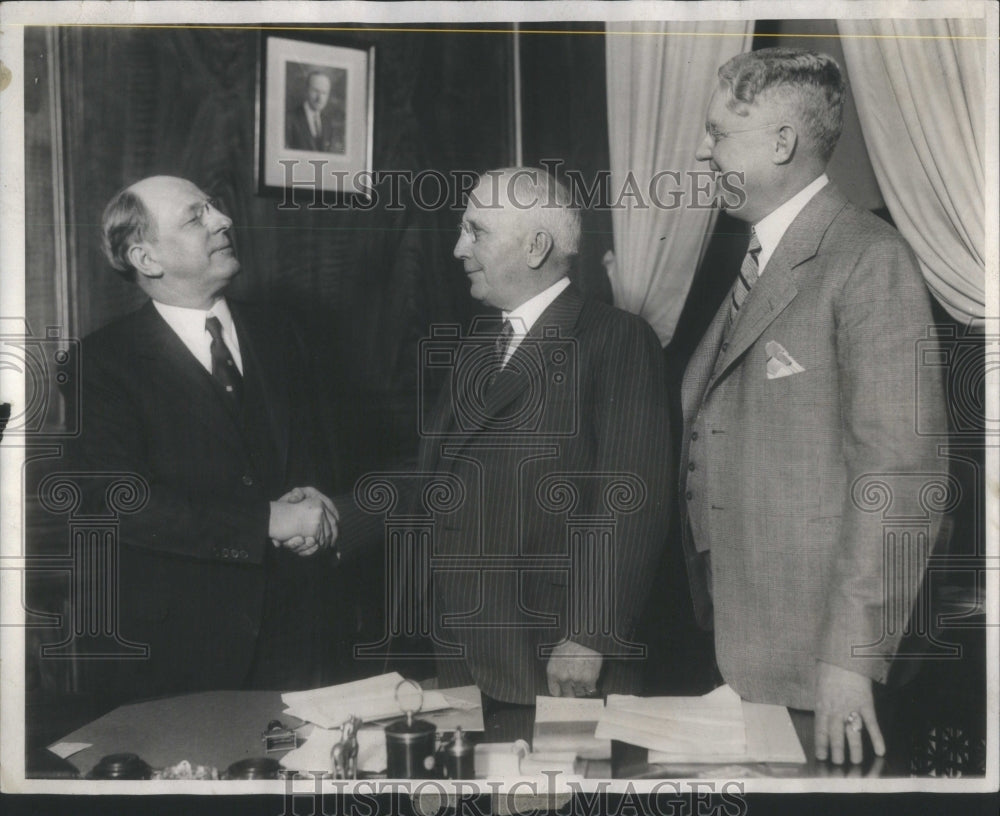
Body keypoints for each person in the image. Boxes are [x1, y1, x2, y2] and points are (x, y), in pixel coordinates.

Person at [679, 48, 947, 764]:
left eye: (717, 133)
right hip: (743, 651)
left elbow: (899, 476)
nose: (701, 151)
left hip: (820, 672)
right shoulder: (741, 261)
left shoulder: (866, 258)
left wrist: (852, 659)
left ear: (781, 144)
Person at [397, 167, 672, 705]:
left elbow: (631, 499)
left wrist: (591, 635)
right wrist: (332, 518)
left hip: (555, 661)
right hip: (462, 656)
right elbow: (430, 482)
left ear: (535, 246)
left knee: (561, 794)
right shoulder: (477, 349)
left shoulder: (617, 338)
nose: (457, 249)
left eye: (475, 231)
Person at [75, 175, 346, 700]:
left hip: (301, 637)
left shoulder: (284, 332)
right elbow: (117, 502)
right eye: (195, 216)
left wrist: (315, 504)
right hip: (184, 653)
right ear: (146, 259)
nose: (223, 220)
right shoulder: (100, 364)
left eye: (214, 208)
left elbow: (322, 456)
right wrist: (266, 520)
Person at [285, 70, 340, 153]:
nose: (320, 98)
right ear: (306, 90)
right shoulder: (290, 119)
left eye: (324, 93)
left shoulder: (327, 123)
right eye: (315, 91)